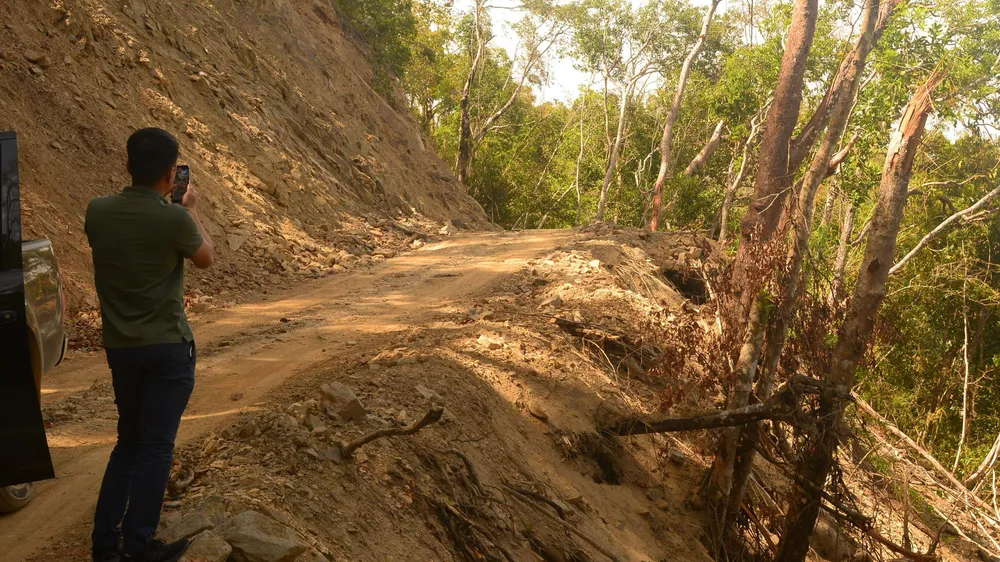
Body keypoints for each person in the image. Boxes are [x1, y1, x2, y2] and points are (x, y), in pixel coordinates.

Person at [86, 128, 214, 562]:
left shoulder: (97, 212)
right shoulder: (175, 217)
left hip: (121, 348)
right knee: (157, 446)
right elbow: (206, 257)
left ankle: (105, 544)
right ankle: (139, 545)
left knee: (129, 442)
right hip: (167, 348)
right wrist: (189, 209)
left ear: (127, 166)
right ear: (170, 172)